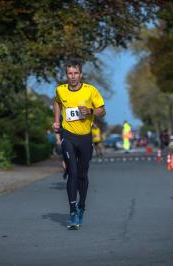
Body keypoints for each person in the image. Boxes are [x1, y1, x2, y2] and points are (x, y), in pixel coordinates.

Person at [52, 59, 106, 229]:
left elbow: (102, 111)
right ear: (66, 75)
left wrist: (90, 111)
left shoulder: (90, 91)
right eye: (70, 73)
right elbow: (57, 102)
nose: (73, 76)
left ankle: (82, 205)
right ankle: (72, 211)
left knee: (82, 175)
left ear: (81, 74)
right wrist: (56, 121)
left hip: (85, 138)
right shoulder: (61, 90)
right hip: (68, 136)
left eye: (76, 73)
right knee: (72, 173)